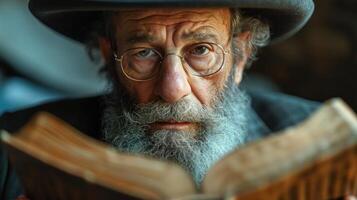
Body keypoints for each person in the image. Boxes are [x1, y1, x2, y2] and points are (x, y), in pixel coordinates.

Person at [0, 0, 329, 199]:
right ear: (108, 55)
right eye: (143, 53)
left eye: (200, 50)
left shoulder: (325, 152)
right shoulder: (15, 155)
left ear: (239, 56)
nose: (172, 89)